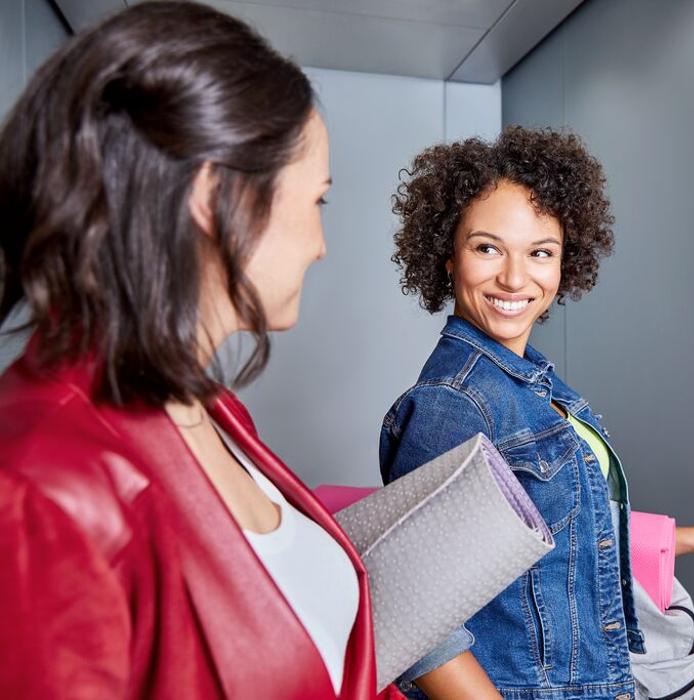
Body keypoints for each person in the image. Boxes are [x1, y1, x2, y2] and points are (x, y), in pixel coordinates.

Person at [0, 3, 497, 698]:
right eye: (317, 200)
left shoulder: (213, 408)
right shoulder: (39, 485)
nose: (322, 244)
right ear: (218, 196)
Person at [381, 126, 694, 698]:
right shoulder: (456, 401)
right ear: (448, 256)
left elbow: (555, 538)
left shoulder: (530, 379)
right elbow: (413, 610)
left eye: (540, 253)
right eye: (487, 247)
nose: (515, 278)